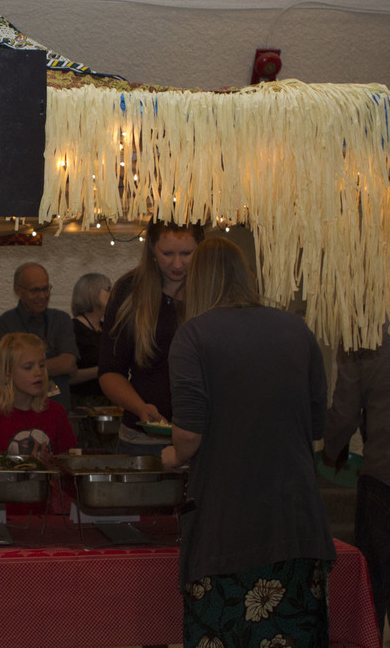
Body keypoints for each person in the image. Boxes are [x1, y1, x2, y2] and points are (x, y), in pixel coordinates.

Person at [161, 237, 335, 648]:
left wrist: (170, 455)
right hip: (294, 521)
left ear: (198, 280)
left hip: (227, 527)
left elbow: (188, 435)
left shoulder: (193, 336)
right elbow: (316, 426)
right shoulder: (296, 329)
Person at [98, 220, 204, 455]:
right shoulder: (129, 291)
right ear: (151, 249)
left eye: (187, 253)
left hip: (203, 439)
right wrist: (140, 407)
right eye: (167, 254)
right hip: (144, 440)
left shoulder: (210, 290)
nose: (177, 264)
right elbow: (110, 372)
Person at [323, 319, 390, 639]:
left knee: (373, 590)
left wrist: (331, 450)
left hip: (383, 475)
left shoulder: (363, 325)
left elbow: (346, 410)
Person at [0, 333, 76, 458]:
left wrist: (49, 468)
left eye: (42, 365)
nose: (38, 372)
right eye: (28, 367)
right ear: (8, 373)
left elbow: (67, 468)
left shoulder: (57, 413)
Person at [0, 262, 78, 403]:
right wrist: (57, 365)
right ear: (18, 291)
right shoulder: (4, 324)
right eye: (35, 290)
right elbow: (5, 369)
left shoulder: (61, 319)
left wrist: (25, 367)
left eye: (46, 289)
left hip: (57, 408)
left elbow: (68, 363)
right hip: (16, 410)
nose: (43, 296)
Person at [69, 272, 113, 408]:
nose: (112, 293)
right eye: (108, 289)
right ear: (91, 292)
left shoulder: (108, 328)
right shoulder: (72, 329)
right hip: (81, 404)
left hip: (108, 402)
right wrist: (100, 370)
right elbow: (66, 376)